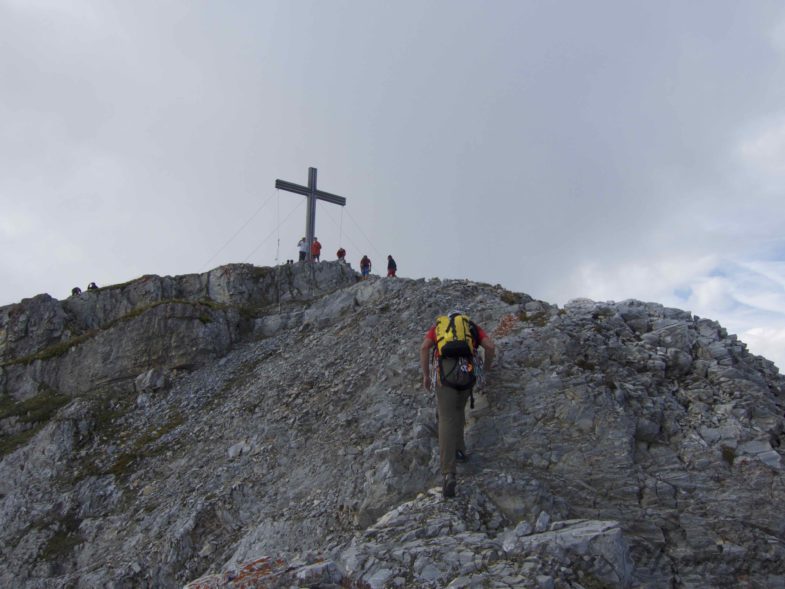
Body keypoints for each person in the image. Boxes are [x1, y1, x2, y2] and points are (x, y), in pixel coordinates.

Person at [420, 310, 495, 498]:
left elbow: (424, 348)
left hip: (445, 374)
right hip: (467, 373)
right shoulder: (472, 327)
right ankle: (460, 450)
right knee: (459, 410)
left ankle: (448, 473)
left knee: (446, 417)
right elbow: (490, 347)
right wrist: (485, 370)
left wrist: (426, 375)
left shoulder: (438, 327)